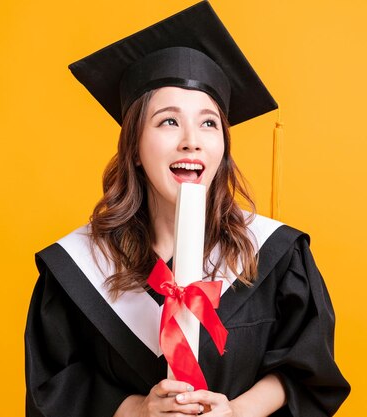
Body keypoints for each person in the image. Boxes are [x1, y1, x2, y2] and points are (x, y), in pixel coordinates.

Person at [24, 1, 350, 416]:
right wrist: (137, 410)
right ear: (135, 149)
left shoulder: (276, 256)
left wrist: (235, 412)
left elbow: (307, 370)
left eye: (209, 122)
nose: (191, 140)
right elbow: (53, 386)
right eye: (168, 121)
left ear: (223, 147)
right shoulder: (78, 268)